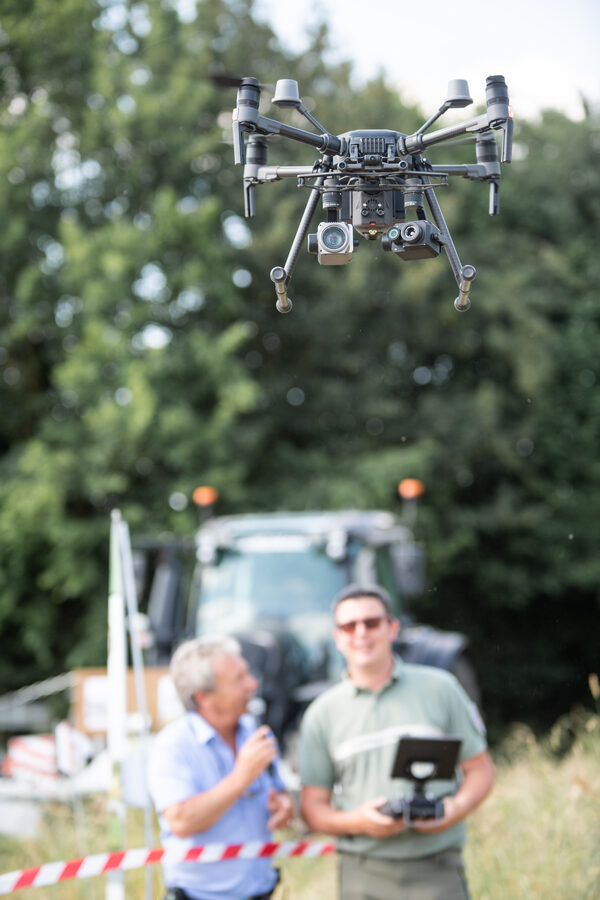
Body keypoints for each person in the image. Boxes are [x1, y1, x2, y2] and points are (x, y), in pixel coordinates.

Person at [299, 585, 494, 900]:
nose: (361, 633)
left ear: (392, 628)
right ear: (337, 638)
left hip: (437, 869)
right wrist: (360, 821)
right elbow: (312, 809)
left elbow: (481, 770)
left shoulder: (441, 689)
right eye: (349, 626)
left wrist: (454, 809)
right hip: (362, 875)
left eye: (372, 623)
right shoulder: (321, 714)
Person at [147, 635, 294, 900]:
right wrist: (240, 778)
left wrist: (282, 805)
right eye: (239, 679)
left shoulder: (255, 731)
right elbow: (181, 820)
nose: (252, 684)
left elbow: (279, 791)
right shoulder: (173, 745)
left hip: (263, 892)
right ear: (203, 697)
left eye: (247, 674)